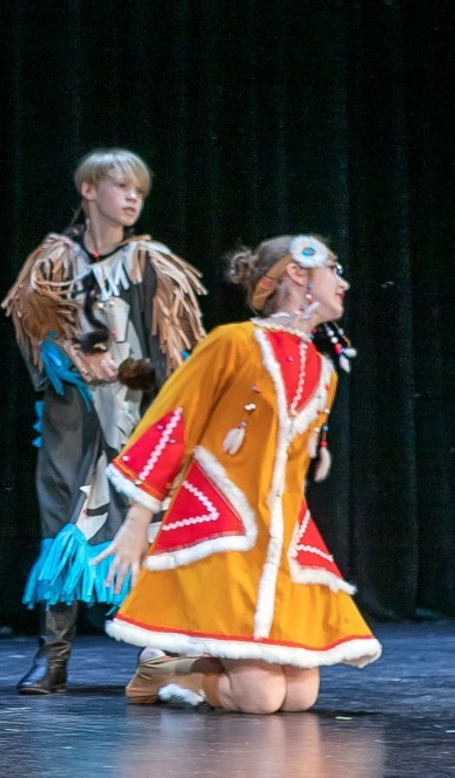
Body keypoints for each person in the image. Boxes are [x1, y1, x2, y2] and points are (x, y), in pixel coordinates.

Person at [99, 234, 380, 712]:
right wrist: (136, 522)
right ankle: (167, 673)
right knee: (259, 699)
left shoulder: (321, 368)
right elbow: (174, 424)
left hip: (282, 536)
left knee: (298, 697)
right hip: (224, 524)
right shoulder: (232, 343)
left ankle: (197, 665)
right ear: (297, 272)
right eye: (334, 268)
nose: (343, 281)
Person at [1, 148, 206, 694]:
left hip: (137, 422)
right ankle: (54, 657)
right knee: (63, 527)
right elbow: (36, 331)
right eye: (121, 186)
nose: (133, 197)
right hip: (74, 420)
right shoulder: (55, 259)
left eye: (140, 188)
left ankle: (158, 659)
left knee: (146, 527)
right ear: (90, 190)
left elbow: (177, 346)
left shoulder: (149, 263)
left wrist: (153, 381)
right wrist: (62, 358)